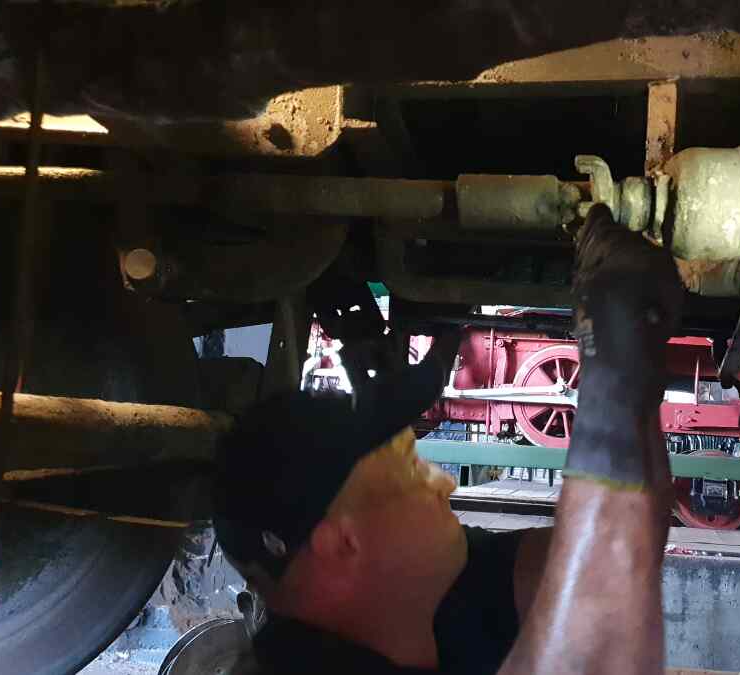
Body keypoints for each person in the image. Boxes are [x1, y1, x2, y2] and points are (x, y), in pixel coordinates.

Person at [212, 203, 681, 674]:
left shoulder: (422, 583)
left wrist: (631, 360)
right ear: (341, 542)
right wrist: (613, 354)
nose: (446, 483)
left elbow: (621, 556)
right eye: (411, 474)